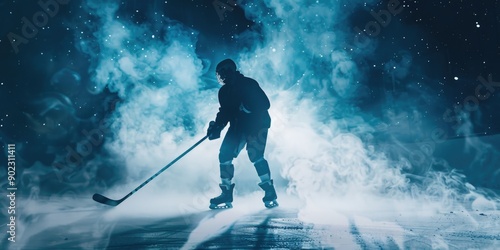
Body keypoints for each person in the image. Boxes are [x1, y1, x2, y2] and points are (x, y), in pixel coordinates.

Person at [206, 59, 278, 209]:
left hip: (257, 125)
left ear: (231, 71)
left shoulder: (248, 84)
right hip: (238, 126)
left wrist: (248, 107)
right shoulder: (224, 92)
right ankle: (226, 193)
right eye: (221, 74)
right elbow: (225, 112)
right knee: (224, 154)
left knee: (256, 155)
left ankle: (269, 191)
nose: (223, 76)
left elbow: (265, 104)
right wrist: (217, 125)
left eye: (225, 72)